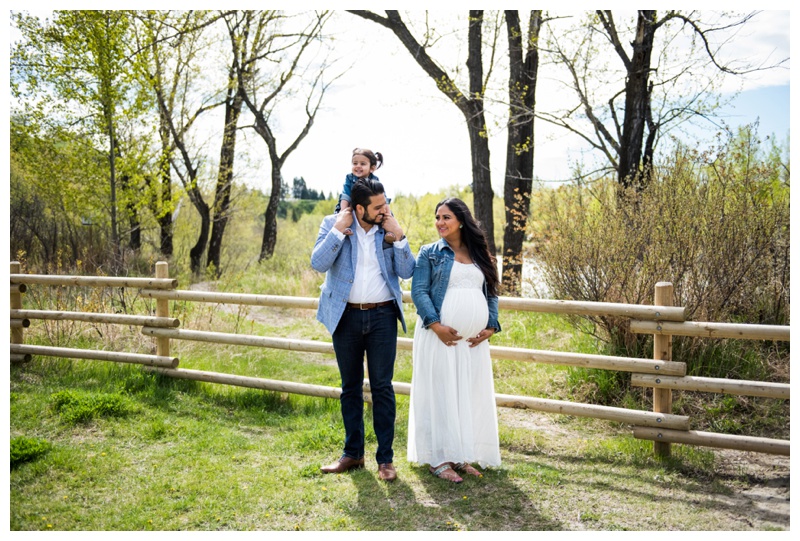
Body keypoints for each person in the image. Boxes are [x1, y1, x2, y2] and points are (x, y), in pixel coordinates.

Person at [311, 177, 415, 482]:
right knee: (350, 387)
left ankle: (386, 460)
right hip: (345, 317)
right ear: (359, 208)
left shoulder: (388, 227)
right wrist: (337, 232)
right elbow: (318, 263)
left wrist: (400, 237)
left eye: (385, 204)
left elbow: (407, 272)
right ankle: (353, 454)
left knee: (383, 387)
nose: (385, 210)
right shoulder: (333, 223)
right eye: (379, 206)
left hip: (383, 317)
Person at [407, 197, 502, 483]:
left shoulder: (480, 254)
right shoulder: (429, 253)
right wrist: (435, 325)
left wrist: (491, 326)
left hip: (472, 343)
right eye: (437, 218)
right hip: (440, 339)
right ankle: (438, 459)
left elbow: (492, 294)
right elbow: (419, 291)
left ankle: (460, 456)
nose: (440, 223)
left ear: (461, 220)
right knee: (440, 393)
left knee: (465, 394)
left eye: (445, 217)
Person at [335, 148, 395, 241]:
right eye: (355, 163)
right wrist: (343, 212)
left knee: (385, 215)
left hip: (370, 209)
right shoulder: (349, 178)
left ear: (372, 168)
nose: (358, 166)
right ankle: (344, 228)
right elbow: (345, 196)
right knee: (343, 214)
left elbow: (383, 199)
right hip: (350, 205)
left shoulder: (374, 180)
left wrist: (388, 214)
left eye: (363, 164)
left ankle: (389, 233)